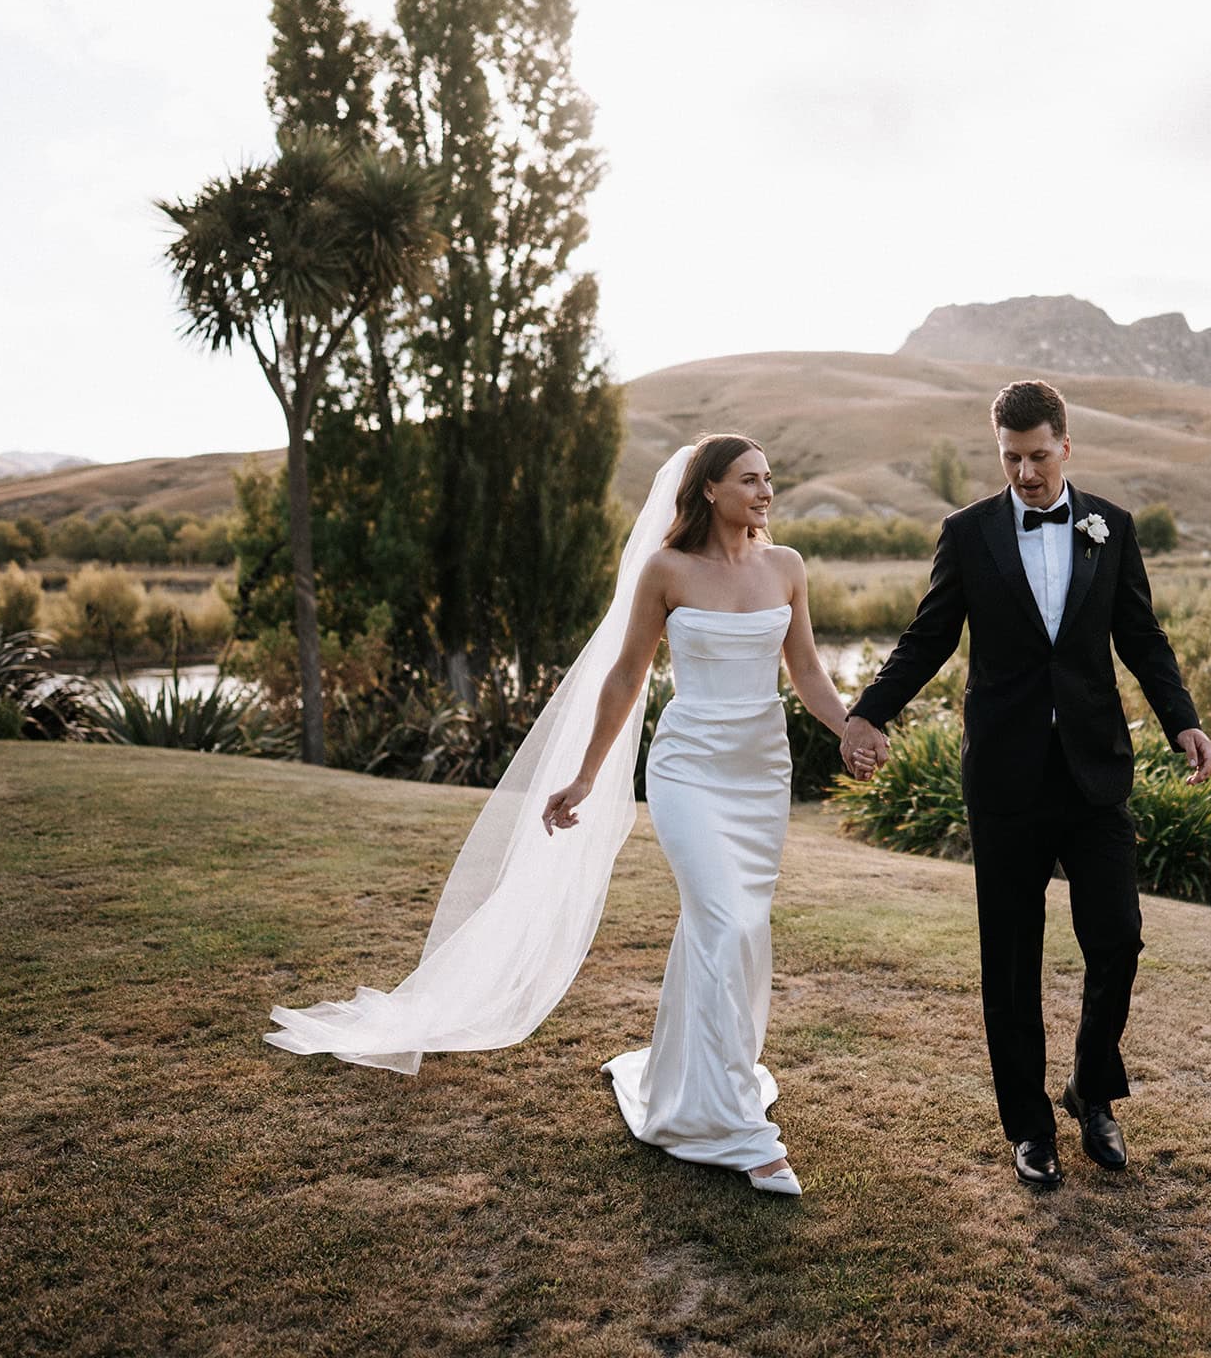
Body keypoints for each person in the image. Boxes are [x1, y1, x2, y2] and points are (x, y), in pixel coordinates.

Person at [265, 434, 858, 1199]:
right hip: (688, 770)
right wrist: (583, 776)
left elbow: (806, 669)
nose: (766, 491)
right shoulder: (666, 571)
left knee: (735, 925)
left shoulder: (788, 568)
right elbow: (622, 676)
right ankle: (742, 1129)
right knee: (724, 921)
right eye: (750, 480)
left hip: (760, 773)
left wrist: (851, 728)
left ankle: (696, 1082)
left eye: (769, 479)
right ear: (709, 489)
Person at [841, 380, 1211, 1189]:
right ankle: (1031, 1128)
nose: (1026, 474)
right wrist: (868, 714)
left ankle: (1091, 1090)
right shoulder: (967, 534)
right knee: (1010, 960)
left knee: (1117, 937)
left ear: (1066, 448)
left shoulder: (1109, 527)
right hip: (1005, 776)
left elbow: (1141, 637)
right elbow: (927, 637)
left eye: (1039, 457)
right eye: (1011, 459)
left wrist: (1182, 717)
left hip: (1094, 772)